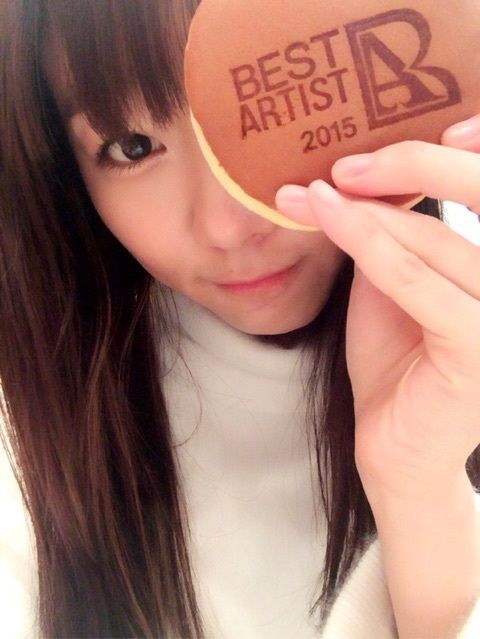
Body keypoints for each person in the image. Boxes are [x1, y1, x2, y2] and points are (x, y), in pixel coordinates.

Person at [0, 1, 479, 637]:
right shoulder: (23, 450)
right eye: (133, 146)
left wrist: (419, 491)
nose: (228, 226)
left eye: (275, 114)